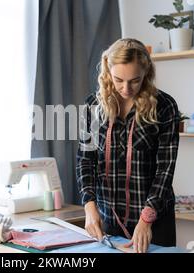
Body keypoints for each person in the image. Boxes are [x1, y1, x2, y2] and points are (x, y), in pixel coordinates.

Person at [76, 38, 180, 253]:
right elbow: (86, 160)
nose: (126, 88)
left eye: (135, 80)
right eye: (118, 79)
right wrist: (89, 206)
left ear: (146, 72)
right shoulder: (93, 107)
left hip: (153, 221)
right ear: (107, 70)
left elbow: (165, 170)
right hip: (108, 219)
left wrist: (146, 219)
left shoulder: (165, 106)